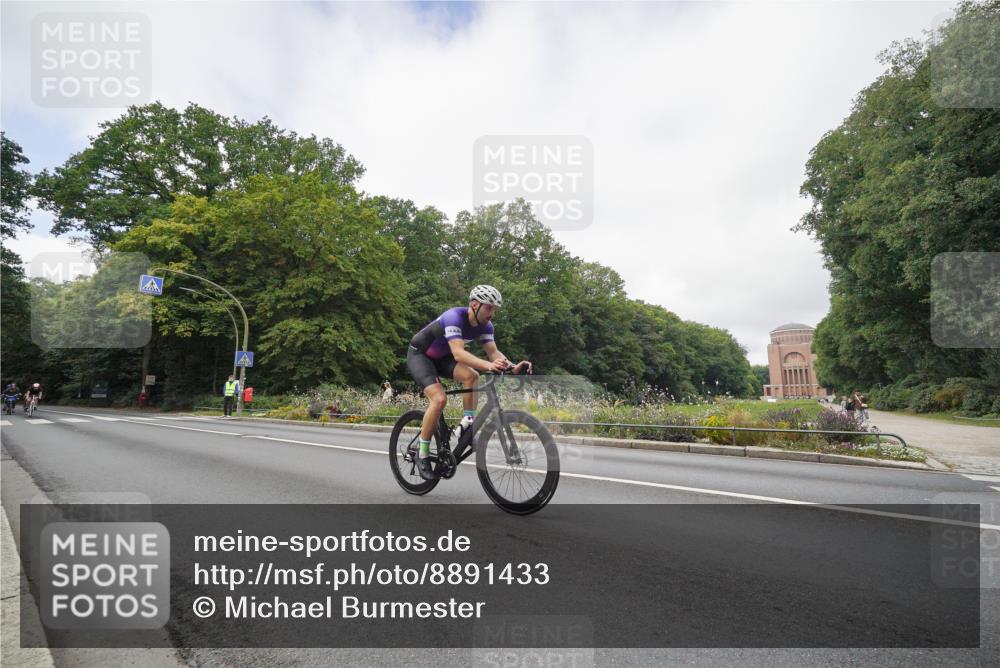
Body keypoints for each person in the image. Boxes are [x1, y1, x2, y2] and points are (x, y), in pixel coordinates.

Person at [406, 285, 532, 481]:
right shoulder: (454, 317)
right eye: (489, 307)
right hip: (420, 355)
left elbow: (493, 353)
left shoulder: (486, 326)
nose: (493, 313)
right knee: (439, 400)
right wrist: (490, 366)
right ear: (475, 305)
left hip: (443, 358)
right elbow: (458, 353)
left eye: (495, 309)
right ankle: (422, 453)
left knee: (472, 376)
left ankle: (467, 423)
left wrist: (513, 367)